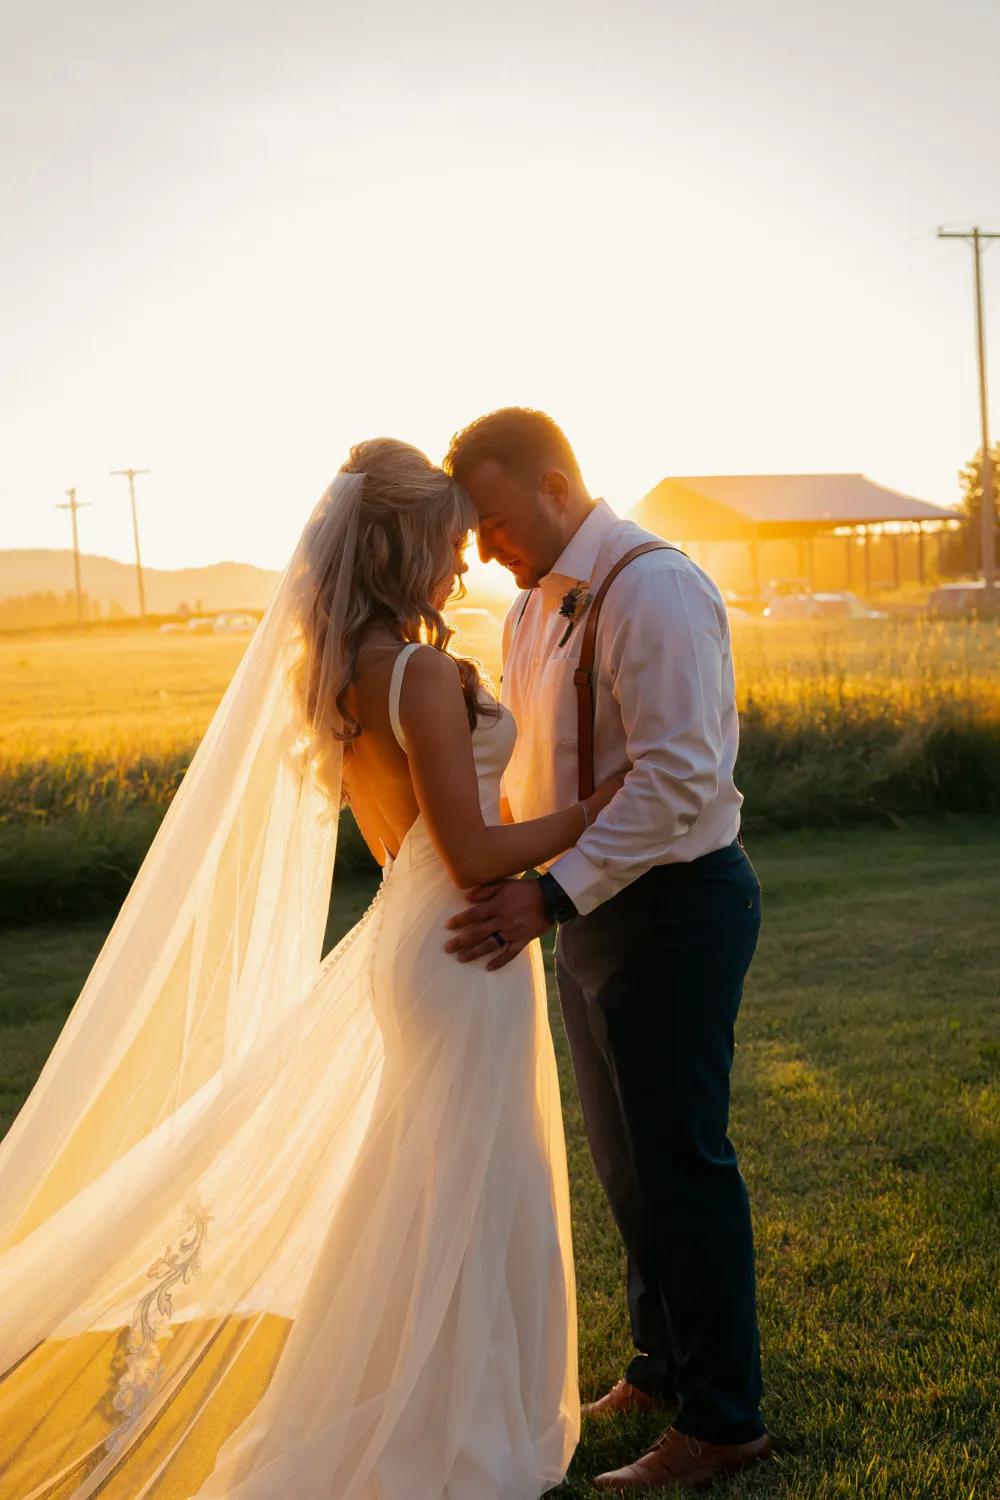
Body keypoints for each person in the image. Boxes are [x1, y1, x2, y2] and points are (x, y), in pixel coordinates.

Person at [0, 439, 623, 1500]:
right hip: (459, 944)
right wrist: (596, 812)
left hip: (410, 932)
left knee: (437, 1179)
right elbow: (469, 850)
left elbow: (410, 843)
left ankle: (451, 1401)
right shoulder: (420, 673)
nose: (460, 567)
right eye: (444, 544)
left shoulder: (343, 675)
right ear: (395, 546)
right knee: (474, 1181)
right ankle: (459, 1429)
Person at [443, 408, 771, 1493]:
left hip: (673, 906)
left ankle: (724, 1420)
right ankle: (661, 1366)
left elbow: (676, 778)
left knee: (681, 1165)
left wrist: (551, 898)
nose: (484, 546)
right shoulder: (530, 608)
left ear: (554, 481)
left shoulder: (653, 586)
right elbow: (546, 766)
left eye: (492, 519)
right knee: (626, 1167)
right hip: (586, 908)